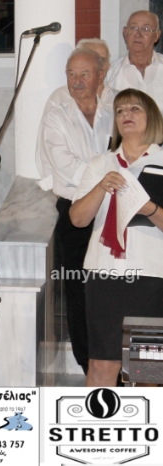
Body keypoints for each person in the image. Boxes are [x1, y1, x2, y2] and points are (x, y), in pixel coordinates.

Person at [70, 89, 163, 387]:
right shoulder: (100, 163)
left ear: (152, 118)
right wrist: (100, 188)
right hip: (104, 274)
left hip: (150, 275)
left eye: (135, 109)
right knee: (101, 364)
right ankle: (97, 417)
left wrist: (150, 209)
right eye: (121, 110)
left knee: (145, 369)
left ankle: (145, 419)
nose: (126, 115)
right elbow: (78, 219)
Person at [36, 47, 114, 376]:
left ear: (100, 75)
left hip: (114, 209)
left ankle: (115, 363)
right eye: (71, 74)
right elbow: (65, 166)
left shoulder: (116, 110)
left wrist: (109, 178)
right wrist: (103, 177)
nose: (77, 81)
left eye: (84, 74)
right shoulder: (57, 116)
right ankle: (87, 365)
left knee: (113, 288)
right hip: (75, 213)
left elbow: (126, 157)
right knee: (79, 290)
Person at [106, 11, 163, 110]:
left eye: (146, 29)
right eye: (133, 28)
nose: (138, 34)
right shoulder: (110, 74)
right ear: (125, 33)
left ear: (157, 35)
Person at [41, 38, 113, 115]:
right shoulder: (60, 97)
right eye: (90, 59)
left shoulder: (117, 97)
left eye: (103, 59)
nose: (99, 64)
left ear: (108, 65)